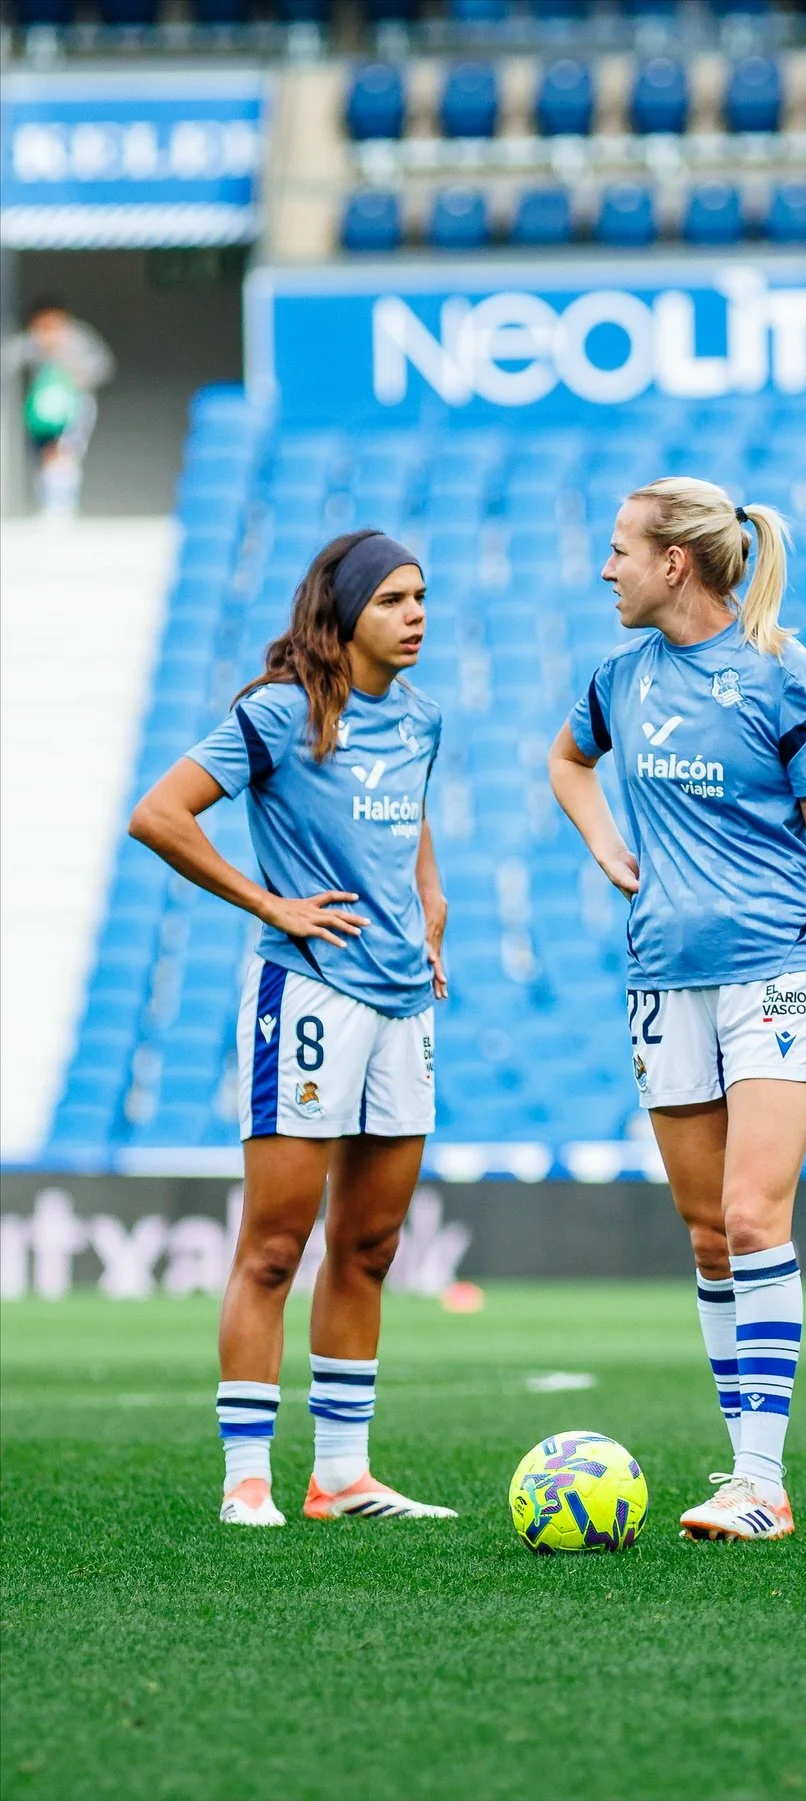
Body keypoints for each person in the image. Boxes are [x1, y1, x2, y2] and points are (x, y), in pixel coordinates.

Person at [129, 531, 455, 1528]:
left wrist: (431, 914)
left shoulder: (422, 718)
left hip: (404, 1004)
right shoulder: (278, 713)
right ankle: (247, 1479)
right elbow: (161, 815)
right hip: (307, 997)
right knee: (273, 1246)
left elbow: (412, 823)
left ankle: (343, 1477)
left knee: (370, 1246)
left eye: (423, 597)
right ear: (345, 612)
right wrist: (271, 906)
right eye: (395, 599)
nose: (416, 615)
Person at [549, 477, 806, 1541]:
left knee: (758, 1216)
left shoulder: (781, 674)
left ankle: (763, 1482)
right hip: (662, 978)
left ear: (675, 561)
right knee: (710, 1232)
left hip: (772, 973)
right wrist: (598, 834)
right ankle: (743, 1468)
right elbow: (567, 762)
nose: (605, 566)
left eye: (620, 547)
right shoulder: (617, 679)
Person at [2, 299, 114, 518]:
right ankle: (49, 504)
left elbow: (102, 365)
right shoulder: (33, 342)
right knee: (43, 454)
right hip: (43, 410)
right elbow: (9, 356)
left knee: (65, 451)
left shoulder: (78, 338)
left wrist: (74, 373)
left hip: (74, 405)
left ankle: (63, 505)